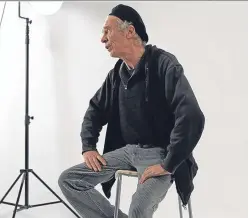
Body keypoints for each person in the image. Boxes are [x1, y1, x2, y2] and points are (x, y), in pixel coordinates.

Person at [58, 4, 205, 218]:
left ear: (129, 31)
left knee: (139, 207)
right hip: (126, 152)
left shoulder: (164, 64)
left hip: (160, 154)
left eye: (107, 30)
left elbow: (191, 115)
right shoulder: (117, 74)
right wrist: (88, 146)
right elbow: (95, 110)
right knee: (69, 180)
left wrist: (168, 164)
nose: (102, 38)